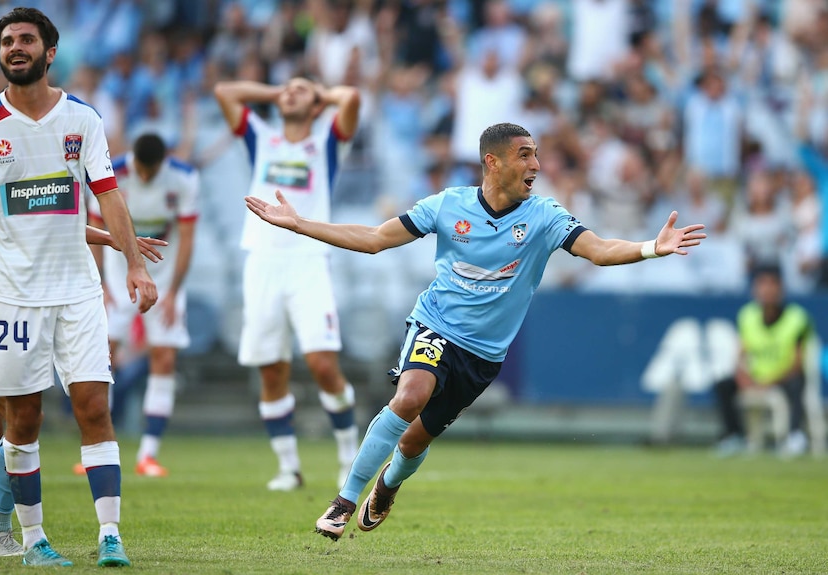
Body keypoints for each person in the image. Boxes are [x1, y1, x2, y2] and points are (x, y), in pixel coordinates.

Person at [245, 122, 707, 540]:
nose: (537, 165)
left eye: (537, 155)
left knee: (413, 441)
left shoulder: (544, 216)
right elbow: (373, 240)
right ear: (494, 161)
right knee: (408, 397)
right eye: (526, 155)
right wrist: (299, 225)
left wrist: (651, 247)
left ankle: (386, 487)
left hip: (483, 355)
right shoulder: (448, 205)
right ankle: (344, 502)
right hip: (435, 324)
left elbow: (600, 250)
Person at [0, 7, 157, 567]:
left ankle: (110, 536)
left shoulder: (82, 118)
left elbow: (107, 194)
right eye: (7, 41)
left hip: (77, 289)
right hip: (13, 295)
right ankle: (33, 541)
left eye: (27, 39)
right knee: (21, 419)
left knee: (94, 407)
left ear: (50, 53)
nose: (15, 47)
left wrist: (133, 265)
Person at [0, 183, 166, 557]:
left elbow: (46, 221)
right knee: (10, 411)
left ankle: (2, 531)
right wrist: (117, 240)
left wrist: (117, 240)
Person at [213, 75, 361, 490]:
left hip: (308, 259)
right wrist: (279, 91)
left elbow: (351, 96)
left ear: (316, 107)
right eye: (287, 89)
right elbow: (225, 91)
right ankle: (288, 468)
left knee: (322, 364)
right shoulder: (262, 137)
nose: (291, 92)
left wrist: (319, 94)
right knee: (272, 369)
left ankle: (350, 460)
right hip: (261, 260)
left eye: (302, 89)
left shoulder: (328, 141)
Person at [83, 133, 198, 478]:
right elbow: (96, 230)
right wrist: (102, 284)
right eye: (143, 172)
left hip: (163, 282)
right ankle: (100, 450)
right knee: (102, 357)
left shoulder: (185, 178)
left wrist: (175, 291)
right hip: (118, 280)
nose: (146, 178)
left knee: (164, 356)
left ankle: (148, 453)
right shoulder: (111, 173)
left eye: (152, 173)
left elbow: (188, 238)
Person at [713, 264, 813, 457]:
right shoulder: (747, 315)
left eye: (772, 285)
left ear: (781, 289)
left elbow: (798, 363)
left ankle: (794, 435)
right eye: (762, 285)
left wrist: (771, 381)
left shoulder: (797, 317)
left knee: (798, 382)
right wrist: (744, 378)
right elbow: (740, 355)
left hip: (782, 377)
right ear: (755, 289)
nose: (767, 290)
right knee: (723, 385)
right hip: (756, 376)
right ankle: (735, 436)